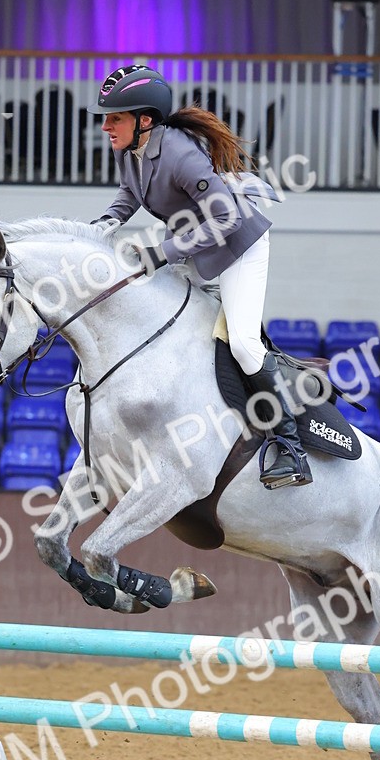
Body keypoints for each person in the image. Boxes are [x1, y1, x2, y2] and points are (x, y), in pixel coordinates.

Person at [87, 64, 311, 489]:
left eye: (114, 118)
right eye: (107, 118)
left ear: (144, 120)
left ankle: (292, 447)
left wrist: (161, 253)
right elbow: (128, 195)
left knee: (243, 344)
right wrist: (101, 226)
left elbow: (225, 218)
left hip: (238, 246)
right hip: (197, 249)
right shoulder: (130, 149)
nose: (105, 127)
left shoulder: (180, 153)